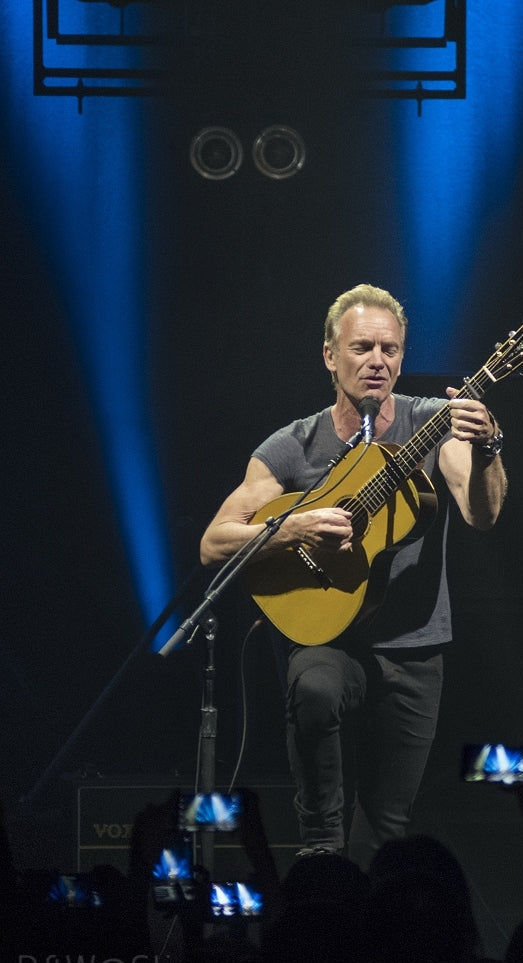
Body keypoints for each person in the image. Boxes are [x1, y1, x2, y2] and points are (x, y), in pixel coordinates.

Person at [200, 284, 507, 867]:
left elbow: (480, 512)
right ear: (329, 355)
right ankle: (319, 844)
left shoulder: (433, 422)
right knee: (314, 688)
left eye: (390, 350)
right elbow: (215, 544)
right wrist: (294, 528)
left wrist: (489, 447)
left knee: (387, 831)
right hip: (326, 636)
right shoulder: (293, 446)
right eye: (362, 347)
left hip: (414, 649)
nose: (378, 361)